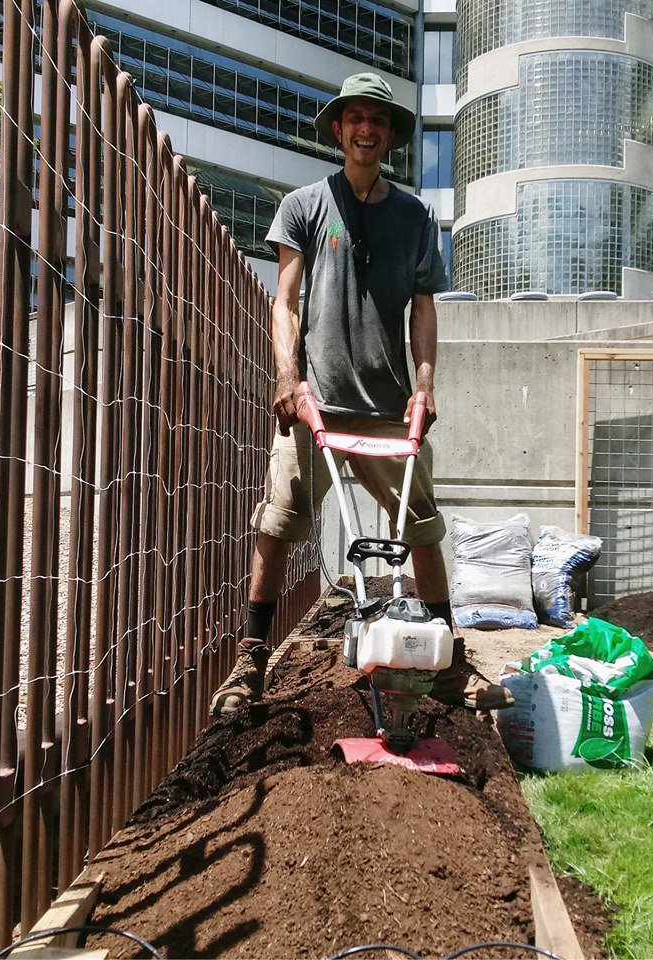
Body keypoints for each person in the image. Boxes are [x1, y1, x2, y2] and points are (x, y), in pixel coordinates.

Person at [211, 73, 513, 716]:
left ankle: (448, 659)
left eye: (376, 119)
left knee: (423, 529)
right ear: (340, 129)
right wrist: (287, 379)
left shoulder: (414, 218)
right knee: (278, 521)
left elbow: (423, 313)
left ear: (388, 134)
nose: (365, 129)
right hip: (314, 401)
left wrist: (424, 389)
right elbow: (285, 303)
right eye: (354, 118)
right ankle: (250, 662)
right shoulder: (303, 206)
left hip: (386, 409)